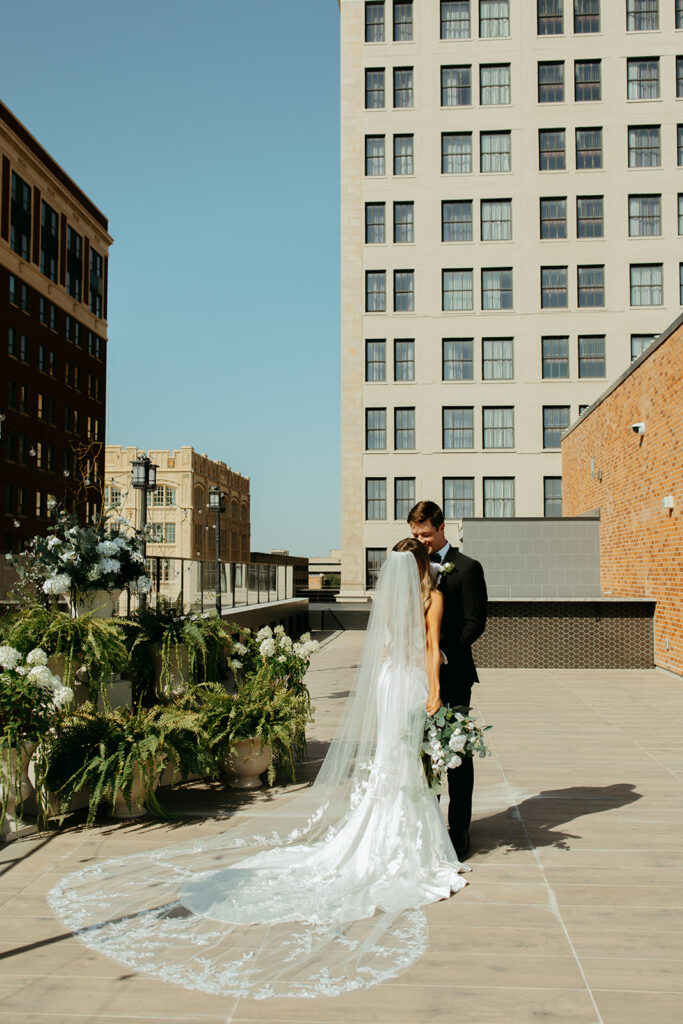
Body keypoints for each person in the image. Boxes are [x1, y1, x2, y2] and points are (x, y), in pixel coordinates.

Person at [48, 543, 468, 1001]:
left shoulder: (395, 601)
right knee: (406, 759)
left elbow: (388, 647)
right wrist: (435, 695)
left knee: (394, 758)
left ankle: (390, 835)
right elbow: (430, 647)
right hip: (409, 683)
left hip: (390, 678)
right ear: (424, 567)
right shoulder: (433, 599)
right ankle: (412, 844)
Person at [408, 500, 488, 860]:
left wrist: (444, 653)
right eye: (415, 535)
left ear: (441, 528)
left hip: (454, 675)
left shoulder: (468, 568)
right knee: (424, 753)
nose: (421, 541)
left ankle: (460, 830)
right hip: (415, 678)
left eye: (425, 534)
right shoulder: (410, 565)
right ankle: (429, 826)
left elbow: (476, 622)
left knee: (455, 752)